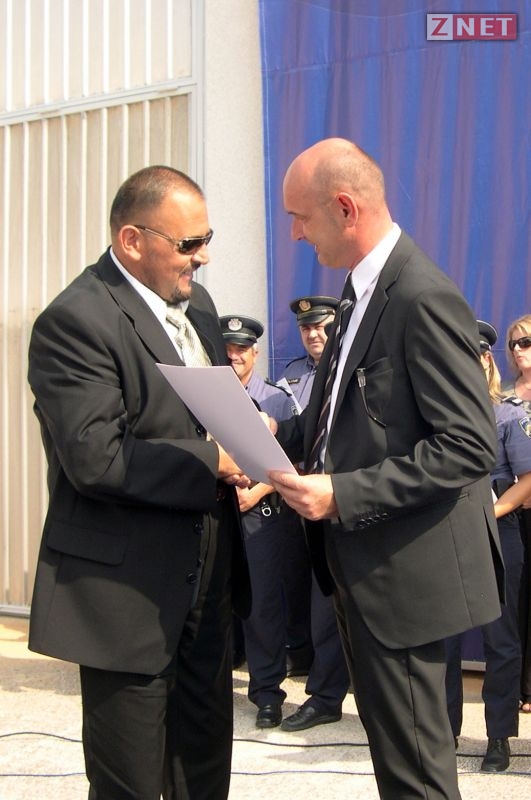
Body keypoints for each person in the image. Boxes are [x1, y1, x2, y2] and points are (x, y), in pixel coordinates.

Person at [267, 138, 504, 800]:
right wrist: (277, 434)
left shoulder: (421, 296)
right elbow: (347, 417)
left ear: (344, 208)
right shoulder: (358, 291)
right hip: (363, 569)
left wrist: (343, 494)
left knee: (416, 777)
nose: (294, 234)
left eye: (300, 218)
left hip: (404, 579)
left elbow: (467, 445)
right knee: (397, 766)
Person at [27, 165, 251, 800]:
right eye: (189, 244)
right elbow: (96, 458)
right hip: (124, 598)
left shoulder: (198, 307)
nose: (203, 257)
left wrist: (247, 435)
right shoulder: (75, 321)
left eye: (207, 239)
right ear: (132, 240)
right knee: (129, 783)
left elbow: (198, 412)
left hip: (207, 583)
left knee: (204, 770)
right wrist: (212, 460)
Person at [445, 320, 531, 771]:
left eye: (476, 354)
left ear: (485, 360)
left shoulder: (509, 413)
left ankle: (498, 736)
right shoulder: (435, 413)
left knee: (501, 637)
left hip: (497, 528)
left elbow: (528, 482)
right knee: (444, 638)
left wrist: (487, 514)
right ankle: (444, 732)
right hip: (445, 533)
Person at [220, 314, 297, 729]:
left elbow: (295, 462)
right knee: (215, 602)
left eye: (241, 349)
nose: (234, 356)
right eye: (227, 349)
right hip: (218, 509)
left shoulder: (276, 400)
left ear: (255, 352)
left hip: (260, 513)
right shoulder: (209, 397)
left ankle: (267, 694)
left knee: (262, 606)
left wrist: (258, 491)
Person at [278, 296, 350, 731]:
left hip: (351, 503)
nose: (315, 334)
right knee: (321, 606)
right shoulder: (299, 376)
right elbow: (304, 428)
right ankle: (325, 695)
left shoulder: (355, 369)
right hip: (307, 507)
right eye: (307, 328)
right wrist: (272, 429)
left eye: (322, 326)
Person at [503, 314, 531, 715]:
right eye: (514, 344)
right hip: (515, 513)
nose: (519, 350)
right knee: (517, 601)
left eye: (526, 341)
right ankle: (521, 688)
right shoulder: (504, 399)